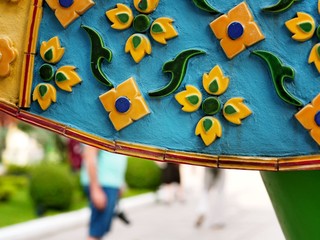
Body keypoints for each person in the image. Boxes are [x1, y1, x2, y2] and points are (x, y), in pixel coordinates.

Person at [80, 145, 128, 240]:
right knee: (96, 232)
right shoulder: (101, 130)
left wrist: (120, 181)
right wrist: (95, 188)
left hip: (109, 184)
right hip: (102, 185)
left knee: (99, 229)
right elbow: (90, 156)